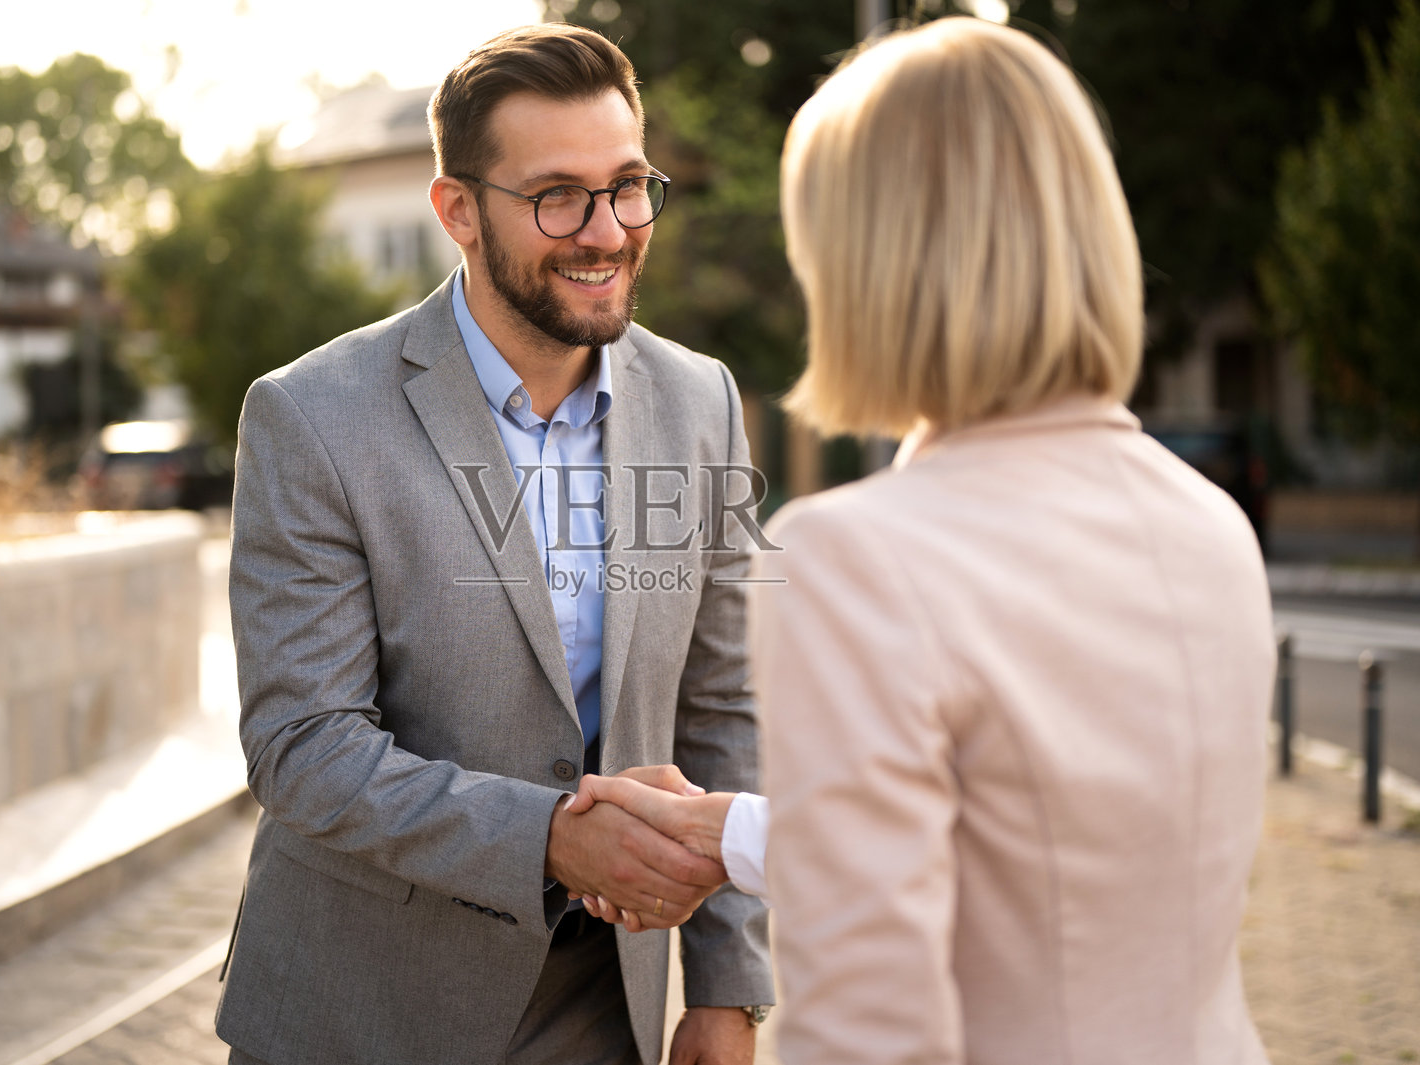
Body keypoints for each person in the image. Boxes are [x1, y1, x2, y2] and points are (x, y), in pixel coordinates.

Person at [569, 16, 1276, 1065]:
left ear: (867, 261)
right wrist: (737, 832)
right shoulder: (1207, 519)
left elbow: (873, 1028)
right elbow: (1045, 850)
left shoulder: (859, 559)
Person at [213, 24, 772, 1065]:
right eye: (557, 195)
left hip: (607, 1005)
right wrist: (550, 838)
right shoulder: (312, 416)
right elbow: (304, 747)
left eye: (627, 186)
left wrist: (729, 987)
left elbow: (721, 703)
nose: (606, 231)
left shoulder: (703, 402)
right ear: (457, 210)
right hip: (364, 1010)